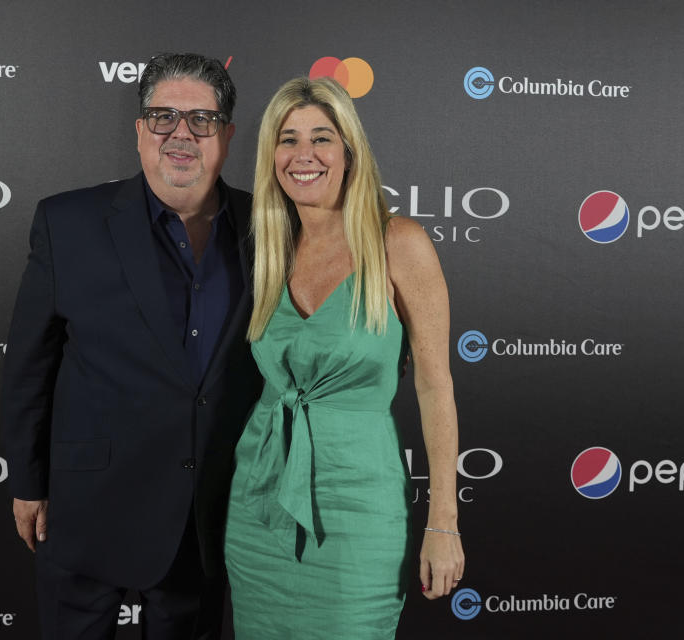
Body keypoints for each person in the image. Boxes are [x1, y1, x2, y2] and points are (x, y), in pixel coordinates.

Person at [2, 52, 260, 640]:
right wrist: (27, 480)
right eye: (163, 116)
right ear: (139, 129)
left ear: (227, 133)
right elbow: (28, 365)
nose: (181, 135)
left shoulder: (268, 225)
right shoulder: (66, 221)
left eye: (201, 119)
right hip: (85, 506)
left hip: (206, 514)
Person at [224, 77, 465, 639]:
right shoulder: (268, 250)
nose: (303, 155)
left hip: (359, 505)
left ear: (349, 152)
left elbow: (435, 387)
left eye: (321, 138)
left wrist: (444, 524)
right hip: (260, 503)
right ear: (271, 157)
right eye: (287, 139)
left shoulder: (398, 243)